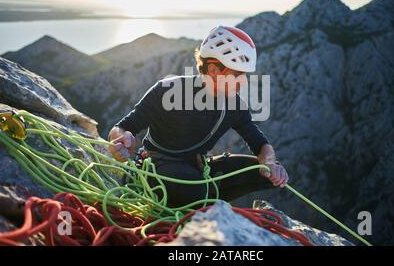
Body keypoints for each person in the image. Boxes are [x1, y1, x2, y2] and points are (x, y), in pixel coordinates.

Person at [107, 25, 289, 208]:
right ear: (213, 70)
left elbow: (260, 143)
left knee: (264, 174)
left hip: (198, 168)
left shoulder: (234, 105)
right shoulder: (167, 91)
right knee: (193, 189)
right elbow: (123, 127)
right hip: (158, 166)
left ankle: (203, 196)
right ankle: (201, 198)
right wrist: (122, 140)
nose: (242, 82)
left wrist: (270, 163)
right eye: (236, 75)